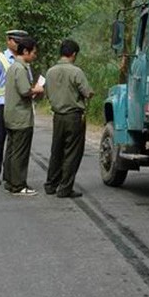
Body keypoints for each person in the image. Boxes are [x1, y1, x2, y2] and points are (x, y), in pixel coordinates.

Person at [44, 39, 94, 198]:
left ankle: (50, 184)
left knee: (56, 150)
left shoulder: (50, 71)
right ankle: (65, 188)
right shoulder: (76, 72)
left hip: (57, 116)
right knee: (72, 152)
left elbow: (47, 92)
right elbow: (87, 92)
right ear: (74, 54)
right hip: (74, 116)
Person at [0, 29, 29, 185]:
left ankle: (10, 172)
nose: (18, 45)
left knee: (14, 140)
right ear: (9, 41)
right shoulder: (0, 59)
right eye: (16, 41)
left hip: (18, 105)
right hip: (3, 104)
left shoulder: (23, 60)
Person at [3, 36, 44, 196]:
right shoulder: (20, 69)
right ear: (25, 51)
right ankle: (19, 185)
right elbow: (25, 91)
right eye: (33, 52)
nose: (34, 55)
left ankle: (9, 180)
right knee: (20, 152)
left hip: (12, 115)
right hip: (21, 117)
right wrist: (38, 89)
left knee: (12, 150)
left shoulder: (13, 67)